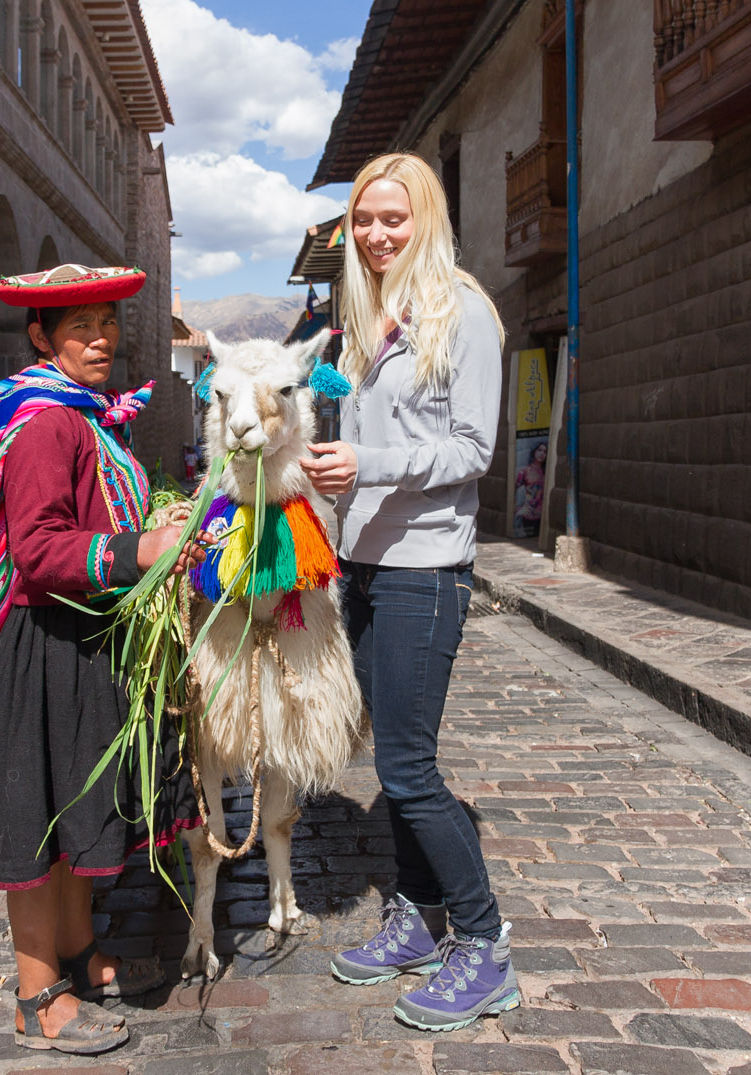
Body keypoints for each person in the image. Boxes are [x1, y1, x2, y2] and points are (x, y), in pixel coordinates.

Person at [0, 266, 204, 1056]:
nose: (98, 338)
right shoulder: (46, 425)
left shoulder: (92, 418)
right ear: (41, 337)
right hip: (54, 645)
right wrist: (140, 549)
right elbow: (36, 550)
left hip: (94, 640)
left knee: (81, 813)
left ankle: (79, 953)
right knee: (40, 822)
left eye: (106, 322)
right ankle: (36, 993)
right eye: (78, 328)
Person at [300, 154, 517, 1032]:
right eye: (363, 219)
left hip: (427, 569)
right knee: (391, 757)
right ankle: (419, 921)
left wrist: (371, 465)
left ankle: (485, 942)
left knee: (407, 768)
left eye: (393, 217)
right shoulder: (366, 320)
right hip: (365, 564)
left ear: (425, 218)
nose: (377, 233)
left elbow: (472, 450)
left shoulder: (461, 311)